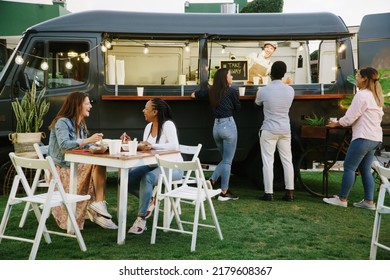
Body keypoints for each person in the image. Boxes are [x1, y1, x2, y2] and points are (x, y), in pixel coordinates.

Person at [48, 91, 117, 230]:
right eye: (87, 103)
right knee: (98, 164)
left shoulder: (81, 123)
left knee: (100, 161)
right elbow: (65, 145)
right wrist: (88, 140)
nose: (90, 106)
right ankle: (98, 207)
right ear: (78, 105)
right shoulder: (62, 122)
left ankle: (99, 206)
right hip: (64, 168)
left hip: (77, 164)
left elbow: (85, 145)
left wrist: (100, 145)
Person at [323, 67, 384, 210]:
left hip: (363, 137)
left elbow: (350, 117)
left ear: (364, 78)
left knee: (349, 167)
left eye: (357, 75)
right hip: (375, 138)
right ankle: (369, 202)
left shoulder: (362, 95)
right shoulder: (376, 96)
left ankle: (342, 199)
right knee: (365, 169)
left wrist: (337, 123)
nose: (356, 78)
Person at [123, 98, 183, 234]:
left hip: (174, 166)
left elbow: (175, 146)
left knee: (147, 178)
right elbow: (146, 147)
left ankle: (141, 219)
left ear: (155, 111)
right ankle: (150, 200)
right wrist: (131, 143)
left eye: (146, 108)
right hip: (153, 164)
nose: (143, 111)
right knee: (127, 179)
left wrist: (152, 145)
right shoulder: (148, 127)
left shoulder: (167, 125)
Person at [191, 68, 241, 201]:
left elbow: (194, 95)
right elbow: (238, 108)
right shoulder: (231, 91)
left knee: (225, 159)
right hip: (228, 125)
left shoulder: (210, 91)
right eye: (230, 75)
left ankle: (212, 181)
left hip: (216, 127)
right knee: (228, 161)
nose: (232, 78)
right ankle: (224, 192)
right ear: (225, 78)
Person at [255, 61, 295, 201]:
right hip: (285, 129)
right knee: (287, 161)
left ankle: (269, 193)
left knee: (268, 161)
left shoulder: (263, 90)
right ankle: (290, 192)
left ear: (271, 73)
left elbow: (257, 103)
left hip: (269, 129)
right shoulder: (290, 90)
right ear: (284, 74)